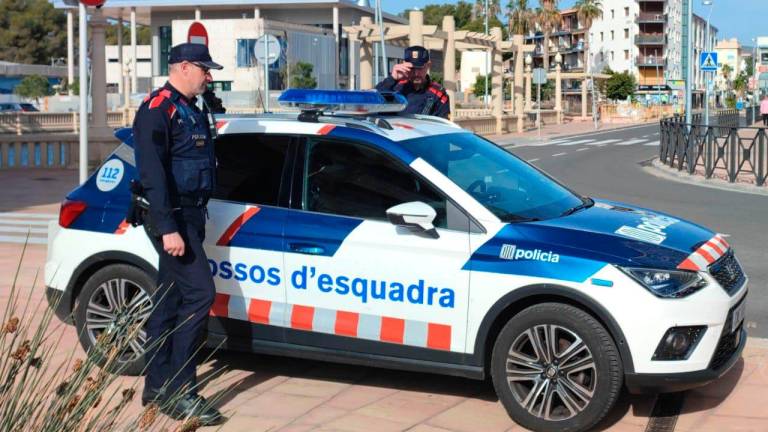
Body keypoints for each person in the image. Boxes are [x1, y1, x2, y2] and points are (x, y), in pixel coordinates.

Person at [132, 42, 224, 426]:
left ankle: (155, 387)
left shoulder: (190, 108)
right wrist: (169, 228)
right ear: (184, 67)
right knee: (201, 294)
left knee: (169, 302)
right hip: (172, 218)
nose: (209, 76)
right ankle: (181, 389)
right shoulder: (158, 111)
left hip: (191, 215)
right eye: (204, 69)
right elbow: (153, 175)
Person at [375, 46, 450, 119]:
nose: (416, 73)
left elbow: (444, 125)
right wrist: (392, 78)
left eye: (420, 68)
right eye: (412, 68)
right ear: (404, 64)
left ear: (428, 65)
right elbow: (372, 101)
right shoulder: (395, 86)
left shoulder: (438, 94)